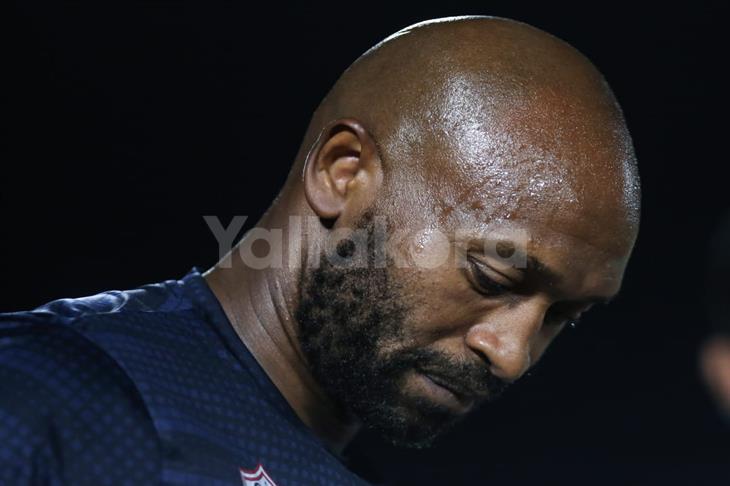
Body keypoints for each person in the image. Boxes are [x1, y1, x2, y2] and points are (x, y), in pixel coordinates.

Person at [0, 15, 641, 486]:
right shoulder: (46, 396)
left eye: (563, 317)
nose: (511, 355)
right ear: (343, 174)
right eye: (492, 276)